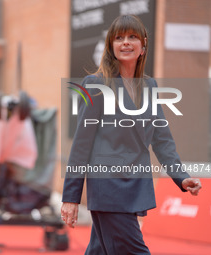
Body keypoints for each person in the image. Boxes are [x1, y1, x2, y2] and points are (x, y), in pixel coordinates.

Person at [61, 14, 202, 255]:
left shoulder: (149, 86)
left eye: (132, 37)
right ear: (111, 46)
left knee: (100, 251)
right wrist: (71, 197)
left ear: (143, 45)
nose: (125, 42)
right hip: (108, 189)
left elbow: (162, 139)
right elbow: (81, 145)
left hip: (135, 187)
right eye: (119, 38)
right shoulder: (96, 84)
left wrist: (181, 176)